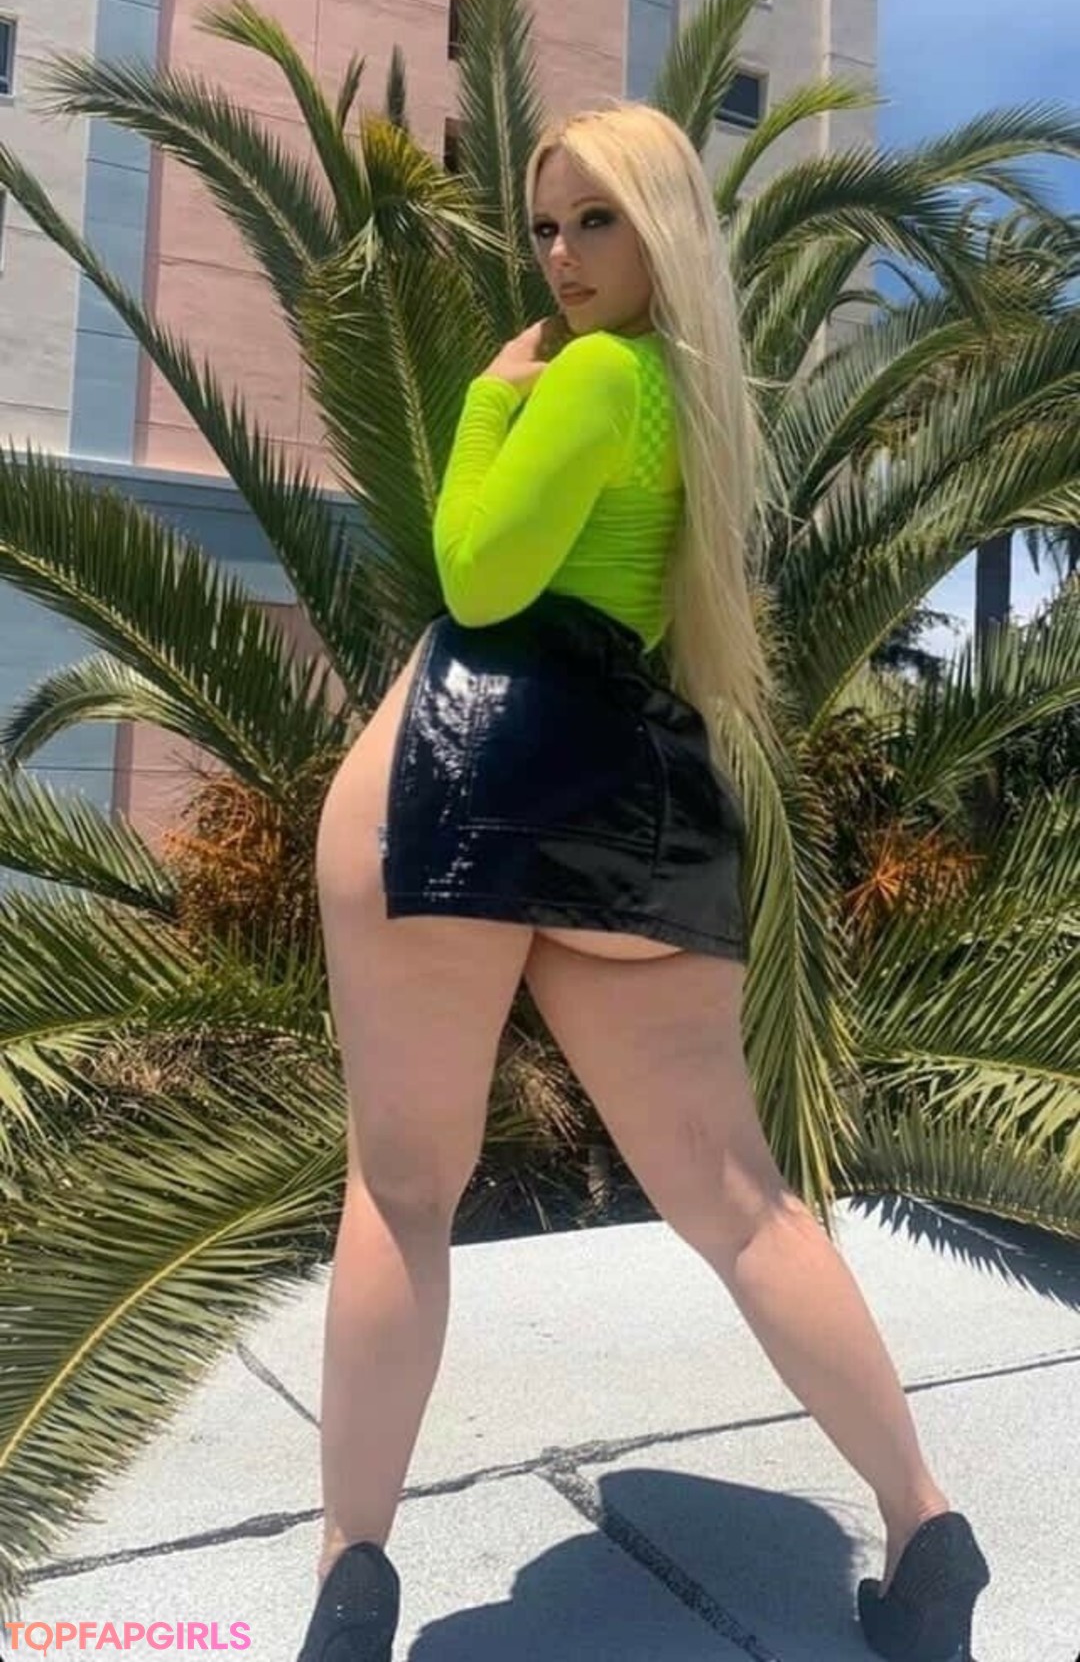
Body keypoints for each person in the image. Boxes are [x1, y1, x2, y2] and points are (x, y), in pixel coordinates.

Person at [298, 102, 990, 1662]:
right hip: (631, 777)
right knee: (742, 1201)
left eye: (595, 219)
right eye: (545, 226)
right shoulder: (690, 400)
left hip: (460, 757)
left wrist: (489, 406)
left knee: (400, 1193)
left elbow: (478, 577)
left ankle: (353, 1576)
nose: (561, 254)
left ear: (660, 224)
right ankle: (924, 1526)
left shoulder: (591, 375)